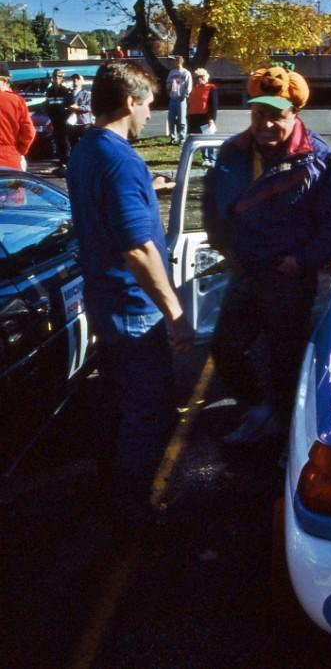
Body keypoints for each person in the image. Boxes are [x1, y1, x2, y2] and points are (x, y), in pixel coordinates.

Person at [203, 65, 331, 445]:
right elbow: (212, 203)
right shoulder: (233, 152)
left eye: (277, 116)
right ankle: (259, 412)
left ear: (296, 115)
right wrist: (225, 246)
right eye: (259, 114)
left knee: (285, 360)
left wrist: (303, 260)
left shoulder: (321, 161)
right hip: (244, 272)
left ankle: (285, 435)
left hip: (288, 278)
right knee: (225, 348)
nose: (266, 124)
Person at [67, 61, 193, 525]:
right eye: (147, 107)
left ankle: (109, 490)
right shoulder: (121, 160)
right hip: (134, 307)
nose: (148, 117)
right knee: (148, 410)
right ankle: (135, 511)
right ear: (128, 102)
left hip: (104, 301)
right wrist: (176, 312)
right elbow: (139, 249)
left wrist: (150, 188)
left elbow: (109, 211)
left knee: (118, 401)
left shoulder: (86, 151)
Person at [0, 64, 36, 169]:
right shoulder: (16, 101)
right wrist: (20, 151)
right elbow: (29, 132)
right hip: (9, 160)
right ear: (5, 81)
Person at [188, 67, 218, 166]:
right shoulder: (194, 89)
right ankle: (205, 158)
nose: (200, 79)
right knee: (200, 139)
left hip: (206, 117)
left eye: (202, 76)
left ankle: (212, 159)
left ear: (206, 77)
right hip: (195, 117)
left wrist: (212, 118)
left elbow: (213, 104)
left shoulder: (211, 87)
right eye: (197, 77)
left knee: (209, 139)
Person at [45, 68, 72, 174]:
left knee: (65, 141)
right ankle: (61, 162)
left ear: (62, 78)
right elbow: (48, 105)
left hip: (64, 120)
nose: (56, 78)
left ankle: (67, 162)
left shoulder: (66, 90)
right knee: (57, 140)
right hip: (54, 120)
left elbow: (70, 106)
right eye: (55, 76)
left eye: (59, 77)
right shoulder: (49, 91)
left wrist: (66, 118)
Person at [165, 55, 192, 145]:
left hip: (181, 99)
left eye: (175, 61)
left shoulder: (185, 73)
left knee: (182, 120)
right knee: (171, 119)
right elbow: (168, 83)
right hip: (173, 98)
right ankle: (173, 138)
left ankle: (182, 138)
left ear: (179, 62)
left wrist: (185, 95)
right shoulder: (172, 72)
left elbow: (189, 85)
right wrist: (169, 88)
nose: (173, 62)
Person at [68, 73, 94, 146]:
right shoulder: (69, 93)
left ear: (82, 81)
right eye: (73, 79)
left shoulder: (87, 94)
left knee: (86, 144)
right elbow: (64, 106)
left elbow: (89, 107)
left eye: (78, 79)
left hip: (84, 123)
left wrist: (78, 108)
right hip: (71, 124)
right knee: (73, 144)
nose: (75, 80)